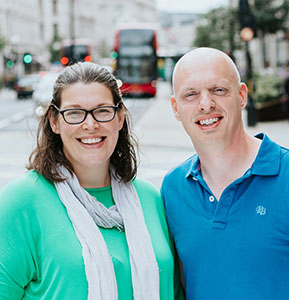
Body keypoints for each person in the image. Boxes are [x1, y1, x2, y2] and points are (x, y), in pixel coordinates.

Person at [0, 62, 184, 300]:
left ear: (119, 118)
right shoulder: (22, 201)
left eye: (102, 111)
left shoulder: (151, 199)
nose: (90, 124)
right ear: (54, 121)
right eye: (74, 113)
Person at [161, 47, 289, 300]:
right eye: (191, 94)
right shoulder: (173, 188)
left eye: (218, 90)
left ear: (242, 95)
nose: (206, 104)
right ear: (175, 108)